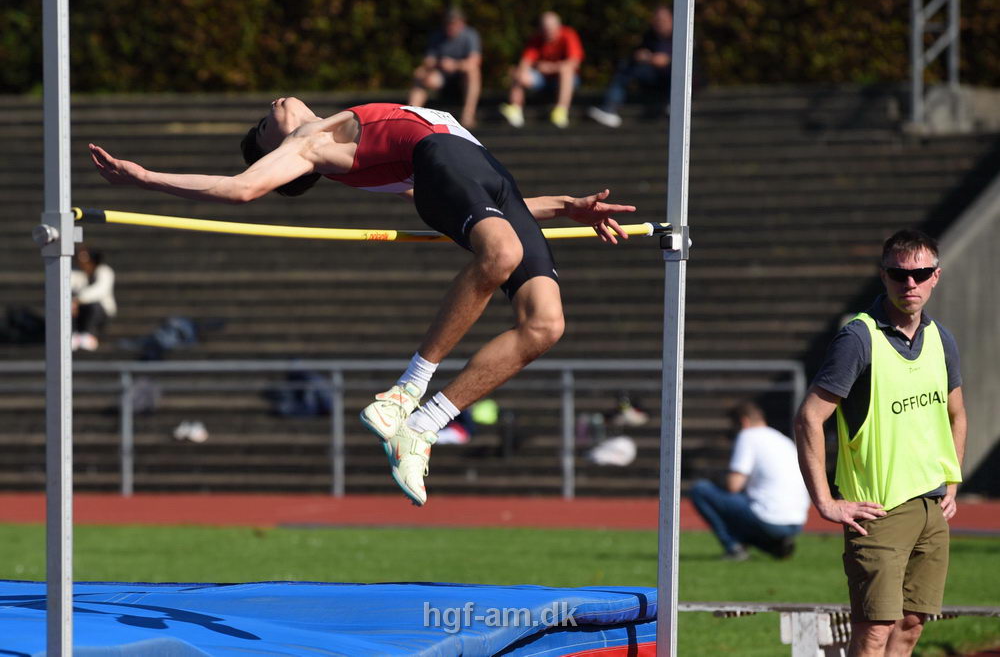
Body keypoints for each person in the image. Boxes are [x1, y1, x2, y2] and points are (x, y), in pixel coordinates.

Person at [89, 99, 634, 507]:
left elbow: (449, 192)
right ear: (276, 149)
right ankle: (405, 391)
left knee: (545, 324)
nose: (272, 106)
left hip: (490, 181)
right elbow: (241, 189)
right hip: (445, 161)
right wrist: (146, 178)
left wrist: (566, 205)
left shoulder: (349, 147)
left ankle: (423, 427)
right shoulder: (306, 145)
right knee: (501, 254)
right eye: (262, 125)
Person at [794, 229, 964, 657]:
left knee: (910, 627)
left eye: (920, 274)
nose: (910, 283)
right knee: (874, 632)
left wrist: (952, 482)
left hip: (932, 507)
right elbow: (809, 417)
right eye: (898, 274)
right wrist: (825, 502)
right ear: (883, 275)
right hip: (879, 509)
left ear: (936, 276)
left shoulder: (941, 339)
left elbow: (957, 414)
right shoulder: (858, 338)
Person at [689, 401, 809, 561]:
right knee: (744, 504)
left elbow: (733, 485)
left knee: (700, 489)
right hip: (797, 521)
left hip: (769, 519)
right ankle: (774, 545)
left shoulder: (747, 436)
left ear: (744, 422)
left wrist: (719, 477)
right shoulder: (783, 440)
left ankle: (734, 548)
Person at [589, 6, 673, 128]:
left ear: (671, 20)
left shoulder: (682, 37)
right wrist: (643, 56)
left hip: (674, 80)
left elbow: (665, 60)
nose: (659, 23)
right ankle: (609, 108)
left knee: (677, 73)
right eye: (656, 20)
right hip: (652, 78)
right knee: (627, 67)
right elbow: (640, 54)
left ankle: (675, 105)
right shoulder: (649, 36)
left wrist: (660, 59)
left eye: (663, 20)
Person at [499, 12, 584, 129]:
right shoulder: (537, 38)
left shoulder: (568, 34)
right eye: (545, 29)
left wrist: (550, 67)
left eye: (551, 29)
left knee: (566, 71)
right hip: (543, 79)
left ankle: (561, 111)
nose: (548, 32)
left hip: (565, 80)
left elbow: (574, 63)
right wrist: (520, 72)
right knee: (518, 72)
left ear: (558, 26)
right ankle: (515, 109)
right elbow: (525, 61)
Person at [407, 8, 482, 128]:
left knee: (473, 72)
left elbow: (475, 61)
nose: (451, 27)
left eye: (454, 23)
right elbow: (428, 61)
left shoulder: (470, 35)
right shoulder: (437, 36)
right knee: (420, 75)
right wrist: (438, 64)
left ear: (462, 23)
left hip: (461, 78)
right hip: (442, 76)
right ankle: (411, 115)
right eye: (449, 23)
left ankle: (468, 115)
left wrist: (455, 65)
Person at [70, 245, 116, 352]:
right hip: (79, 311)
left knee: (94, 306)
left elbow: (100, 290)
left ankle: (89, 334)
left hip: (101, 311)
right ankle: (73, 333)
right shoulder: (75, 272)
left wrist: (78, 299)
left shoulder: (105, 271)